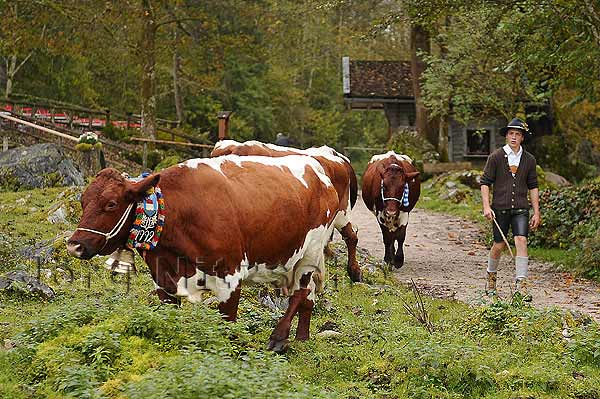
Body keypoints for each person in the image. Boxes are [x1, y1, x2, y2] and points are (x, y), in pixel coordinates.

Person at [480, 117, 540, 300]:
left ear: (522, 138)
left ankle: (521, 284)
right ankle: (491, 277)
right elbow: (485, 183)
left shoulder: (529, 160)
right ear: (506, 136)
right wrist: (486, 206)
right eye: (511, 133)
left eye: (518, 134)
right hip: (500, 209)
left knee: (521, 240)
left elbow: (533, 186)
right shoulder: (496, 157)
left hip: (521, 208)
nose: (514, 137)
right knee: (498, 245)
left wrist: (536, 211)